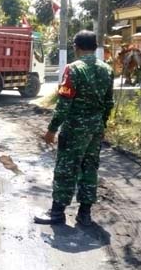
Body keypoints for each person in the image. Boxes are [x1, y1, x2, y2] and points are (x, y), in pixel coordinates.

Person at [34, 30, 115, 227]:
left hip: (74, 129)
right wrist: (101, 125)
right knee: (89, 169)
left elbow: (64, 104)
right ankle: (85, 214)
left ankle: (57, 213)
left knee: (65, 169)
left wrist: (52, 130)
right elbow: (109, 102)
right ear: (95, 47)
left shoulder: (73, 69)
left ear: (76, 47)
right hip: (95, 129)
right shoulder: (107, 70)